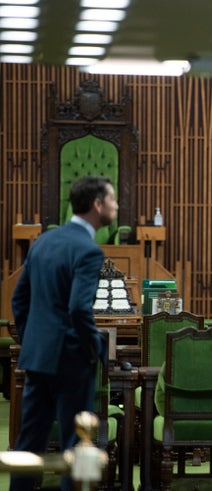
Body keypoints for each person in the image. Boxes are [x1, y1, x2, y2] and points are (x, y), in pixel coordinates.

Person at [10, 176, 118, 491]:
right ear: (98, 205)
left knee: (29, 441)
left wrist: (32, 340)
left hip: (38, 357)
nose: (116, 205)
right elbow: (79, 310)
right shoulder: (88, 250)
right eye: (112, 199)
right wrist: (93, 346)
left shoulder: (43, 241)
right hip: (71, 360)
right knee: (76, 443)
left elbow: (19, 299)